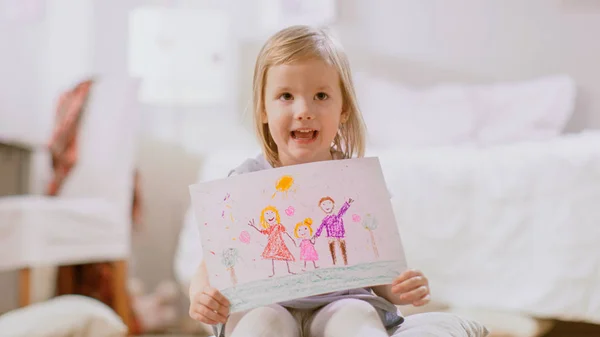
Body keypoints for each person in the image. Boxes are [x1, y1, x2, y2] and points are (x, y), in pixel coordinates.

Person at [188, 25, 479, 337]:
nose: (304, 111)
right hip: (264, 305)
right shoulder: (246, 181)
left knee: (355, 315)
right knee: (262, 322)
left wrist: (401, 288)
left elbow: (379, 273)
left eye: (321, 96)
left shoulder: (357, 182)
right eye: (286, 96)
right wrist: (200, 296)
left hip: (343, 302)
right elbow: (212, 266)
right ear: (262, 109)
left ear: (344, 109)